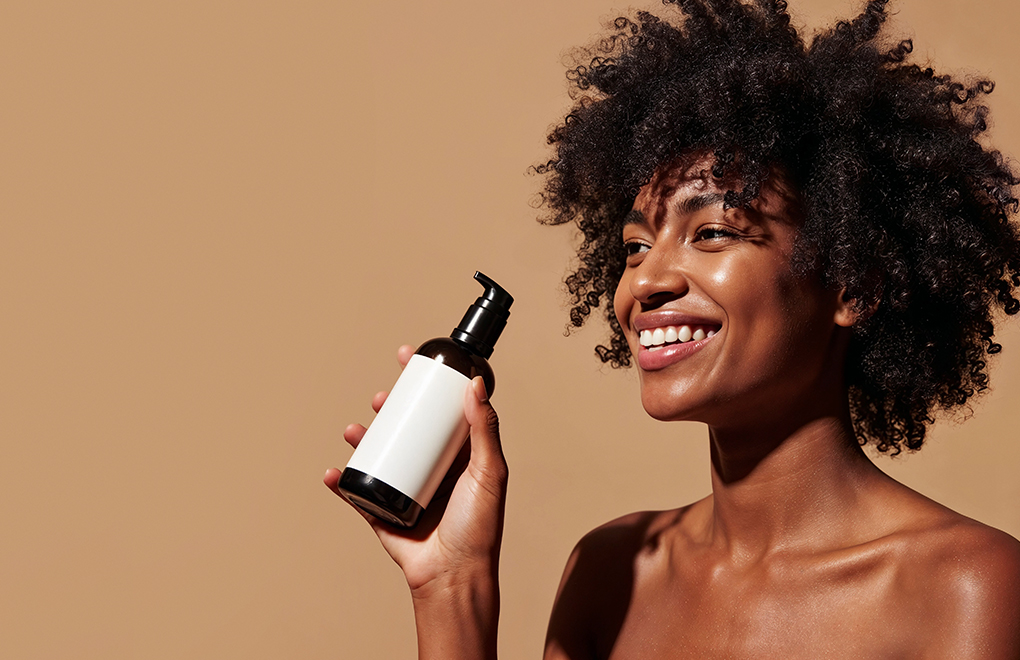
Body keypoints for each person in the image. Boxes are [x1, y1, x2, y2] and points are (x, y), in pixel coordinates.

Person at [324, 0, 1020, 656]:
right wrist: (452, 584)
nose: (646, 282)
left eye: (712, 232)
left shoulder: (968, 587)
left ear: (850, 283)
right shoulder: (611, 572)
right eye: (634, 247)